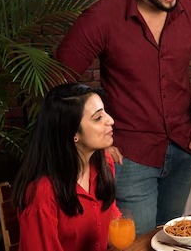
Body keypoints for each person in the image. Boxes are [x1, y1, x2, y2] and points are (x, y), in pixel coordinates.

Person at [55, 0, 191, 235]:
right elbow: (58, 82)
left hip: (184, 148)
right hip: (129, 156)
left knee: (171, 236)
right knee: (137, 242)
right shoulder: (102, 17)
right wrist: (97, 141)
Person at [13, 83, 120, 251]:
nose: (111, 120)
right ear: (73, 134)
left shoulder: (104, 163)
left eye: (105, 112)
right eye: (98, 118)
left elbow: (113, 220)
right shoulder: (43, 194)